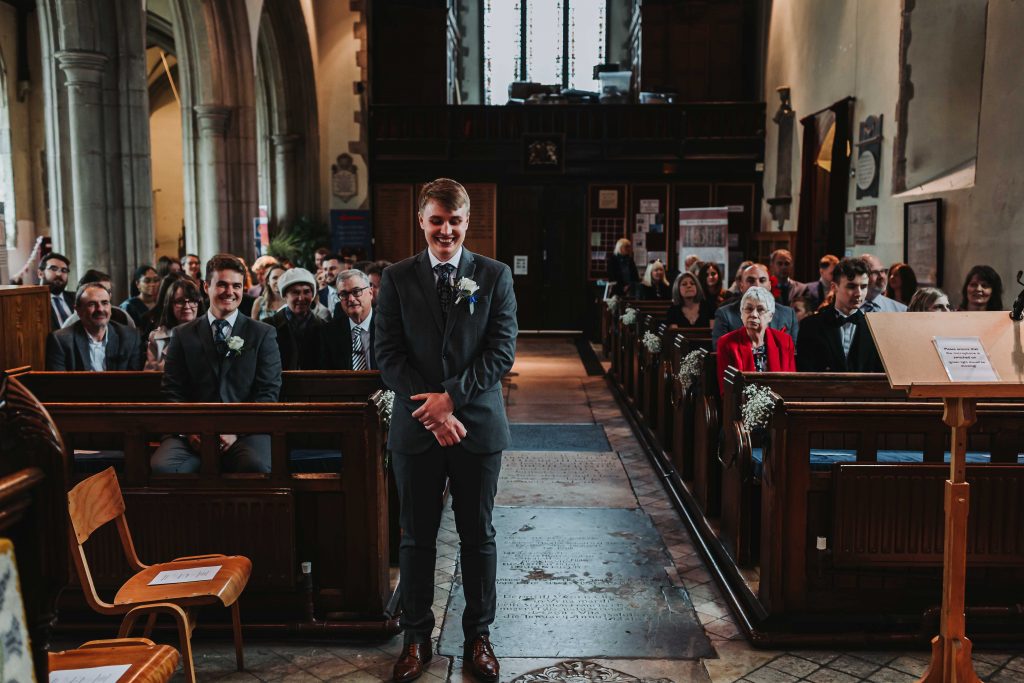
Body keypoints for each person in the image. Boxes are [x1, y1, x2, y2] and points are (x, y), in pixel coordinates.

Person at [376, 178, 516, 683]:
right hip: (417, 430)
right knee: (416, 538)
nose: (446, 230)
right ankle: (416, 638)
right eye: (437, 220)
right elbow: (386, 356)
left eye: (455, 221)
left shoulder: (494, 276)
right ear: (421, 221)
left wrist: (451, 399)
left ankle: (478, 637)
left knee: (478, 537)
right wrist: (432, 411)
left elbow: (500, 352)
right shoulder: (396, 278)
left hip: (476, 424)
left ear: (467, 222)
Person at [150, 254, 282, 474]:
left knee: (255, 466)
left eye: (236, 286)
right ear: (206, 287)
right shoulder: (183, 335)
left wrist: (235, 432)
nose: (230, 292)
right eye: (222, 284)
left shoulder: (262, 334)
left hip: (246, 432)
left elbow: (267, 392)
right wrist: (192, 431)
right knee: (164, 467)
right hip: (191, 433)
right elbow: (173, 391)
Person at [796, 257, 884, 372]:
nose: (859, 293)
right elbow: (805, 374)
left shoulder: (876, 328)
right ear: (834, 287)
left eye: (863, 287)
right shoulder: (811, 326)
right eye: (851, 286)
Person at [716, 287, 796, 393]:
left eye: (760, 309)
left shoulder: (785, 342)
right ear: (741, 313)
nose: (753, 315)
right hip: (741, 405)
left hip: (780, 404)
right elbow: (726, 390)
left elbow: (792, 384)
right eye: (748, 309)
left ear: (770, 316)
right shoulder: (727, 343)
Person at [46, 283, 143, 371]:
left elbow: (134, 382)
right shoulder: (60, 341)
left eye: (105, 303)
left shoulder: (131, 337)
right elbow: (58, 385)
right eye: (92, 304)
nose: (100, 309)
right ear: (78, 310)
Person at [712, 263, 799, 347]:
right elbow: (720, 349)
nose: (757, 285)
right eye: (751, 280)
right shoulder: (725, 314)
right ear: (741, 286)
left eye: (762, 280)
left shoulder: (788, 314)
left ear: (769, 286)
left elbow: (793, 350)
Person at [267, 268, 325, 371]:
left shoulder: (324, 327)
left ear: (313, 295)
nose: (301, 298)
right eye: (295, 292)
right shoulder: (268, 327)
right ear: (285, 295)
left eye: (306, 292)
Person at [319, 269, 376, 370]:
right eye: (344, 294)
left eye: (356, 291)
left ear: (370, 293)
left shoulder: (389, 327)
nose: (351, 299)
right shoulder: (328, 333)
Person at [144, 277, 202, 371]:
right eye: (180, 301)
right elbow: (150, 377)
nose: (187, 306)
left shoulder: (210, 332)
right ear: (170, 305)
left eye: (192, 300)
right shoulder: (156, 338)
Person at [61, 270, 135, 330]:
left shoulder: (122, 316)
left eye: (108, 291)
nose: (105, 296)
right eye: (99, 291)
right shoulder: (71, 324)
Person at [39, 252, 76, 330]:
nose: (59, 274)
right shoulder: (31, 302)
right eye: (53, 269)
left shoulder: (76, 298)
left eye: (64, 270)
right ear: (40, 273)